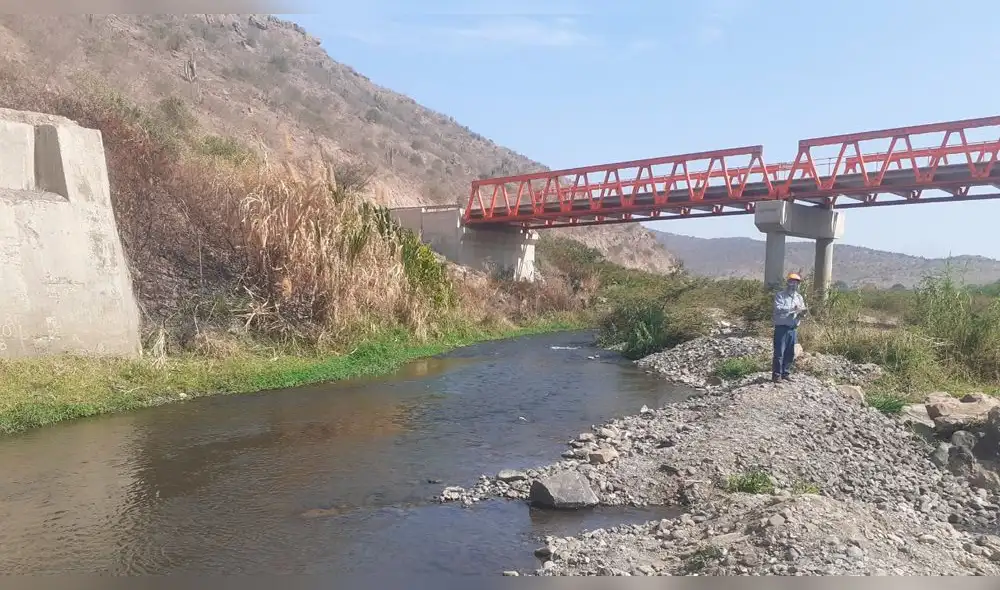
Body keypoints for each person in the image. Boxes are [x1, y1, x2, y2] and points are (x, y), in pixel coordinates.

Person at [772, 272, 808, 383]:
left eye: (796, 282)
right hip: (781, 328)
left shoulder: (799, 297)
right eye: (791, 281)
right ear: (787, 282)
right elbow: (778, 308)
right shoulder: (780, 295)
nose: (793, 284)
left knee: (790, 353)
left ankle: (785, 373)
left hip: (793, 329)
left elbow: (801, 310)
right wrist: (793, 308)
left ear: (799, 284)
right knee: (779, 353)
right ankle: (776, 375)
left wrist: (802, 312)